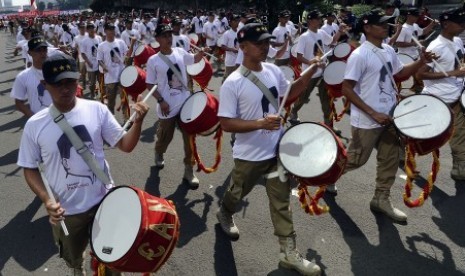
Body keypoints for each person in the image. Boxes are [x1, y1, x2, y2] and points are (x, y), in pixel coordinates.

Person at [17, 53, 149, 275]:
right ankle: (77, 268)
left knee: (113, 258)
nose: (65, 88)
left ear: (78, 79)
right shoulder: (35, 125)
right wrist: (46, 199)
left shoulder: (96, 110)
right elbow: (29, 168)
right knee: (73, 255)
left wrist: (138, 122)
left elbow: (125, 145)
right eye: (57, 84)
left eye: (70, 81)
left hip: (104, 199)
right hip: (67, 212)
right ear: (44, 85)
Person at [216, 22, 323, 276]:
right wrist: (259, 123)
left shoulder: (274, 71)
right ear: (242, 47)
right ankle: (225, 211)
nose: (265, 47)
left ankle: (288, 253)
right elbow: (226, 123)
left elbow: (291, 92)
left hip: (277, 151)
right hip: (249, 155)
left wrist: (310, 70)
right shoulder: (233, 82)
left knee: (281, 201)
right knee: (237, 192)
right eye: (258, 43)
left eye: (266, 42)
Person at [328, 9, 431, 220]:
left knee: (390, 159)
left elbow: (400, 73)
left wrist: (421, 62)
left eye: (387, 24)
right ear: (367, 27)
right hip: (367, 119)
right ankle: (328, 175)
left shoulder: (388, 50)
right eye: (381, 24)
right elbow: (347, 88)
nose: (386, 26)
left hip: (390, 116)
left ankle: (380, 199)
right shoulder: (359, 55)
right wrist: (373, 113)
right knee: (357, 159)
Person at [145, 24, 205, 189]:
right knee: (166, 137)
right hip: (167, 106)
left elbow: (194, 60)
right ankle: (159, 151)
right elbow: (150, 84)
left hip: (185, 102)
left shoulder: (180, 52)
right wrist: (160, 100)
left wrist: (201, 53)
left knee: (190, 138)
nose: (168, 38)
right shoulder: (153, 61)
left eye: (169, 34)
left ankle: (188, 170)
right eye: (164, 35)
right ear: (157, 39)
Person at [417, 7, 465, 182]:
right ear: (445, 24)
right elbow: (420, 74)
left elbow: (460, 60)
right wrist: (453, 73)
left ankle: (460, 167)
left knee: (459, 134)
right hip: (437, 100)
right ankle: (402, 153)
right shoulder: (437, 47)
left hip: (456, 96)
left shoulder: (457, 41)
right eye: (459, 23)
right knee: (425, 137)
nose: (463, 25)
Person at [289, 10, 346, 129]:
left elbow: (333, 41)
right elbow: (299, 56)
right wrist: (310, 62)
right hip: (310, 73)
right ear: (310, 21)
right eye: (317, 19)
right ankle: (293, 111)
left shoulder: (321, 32)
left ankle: (329, 124)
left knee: (326, 99)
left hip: (323, 72)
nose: (320, 21)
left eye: (320, 18)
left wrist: (340, 31)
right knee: (303, 97)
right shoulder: (304, 37)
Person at [10, 36, 58, 117]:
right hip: (39, 121)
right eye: (38, 50)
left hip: (60, 117)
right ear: (29, 53)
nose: (42, 53)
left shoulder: (57, 71)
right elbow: (19, 102)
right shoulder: (23, 76)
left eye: (44, 50)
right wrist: (33, 117)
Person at [97, 23, 129, 120]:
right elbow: (99, 60)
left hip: (122, 76)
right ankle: (111, 119)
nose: (111, 32)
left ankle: (127, 119)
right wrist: (104, 67)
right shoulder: (102, 45)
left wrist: (128, 63)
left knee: (124, 99)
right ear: (105, 31)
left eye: (113, 30)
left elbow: (126, 54)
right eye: (109, 30)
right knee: (111, 101)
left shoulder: (121, 42)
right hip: (109, 77)